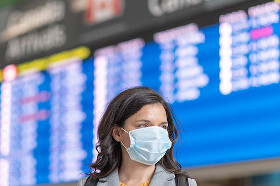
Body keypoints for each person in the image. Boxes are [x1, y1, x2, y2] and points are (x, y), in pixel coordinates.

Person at [77, 87, 197, 186]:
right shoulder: (87, 185)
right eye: (144, 125)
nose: (156, 134)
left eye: (162, 127)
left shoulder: (185, 184)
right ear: (117, 133)